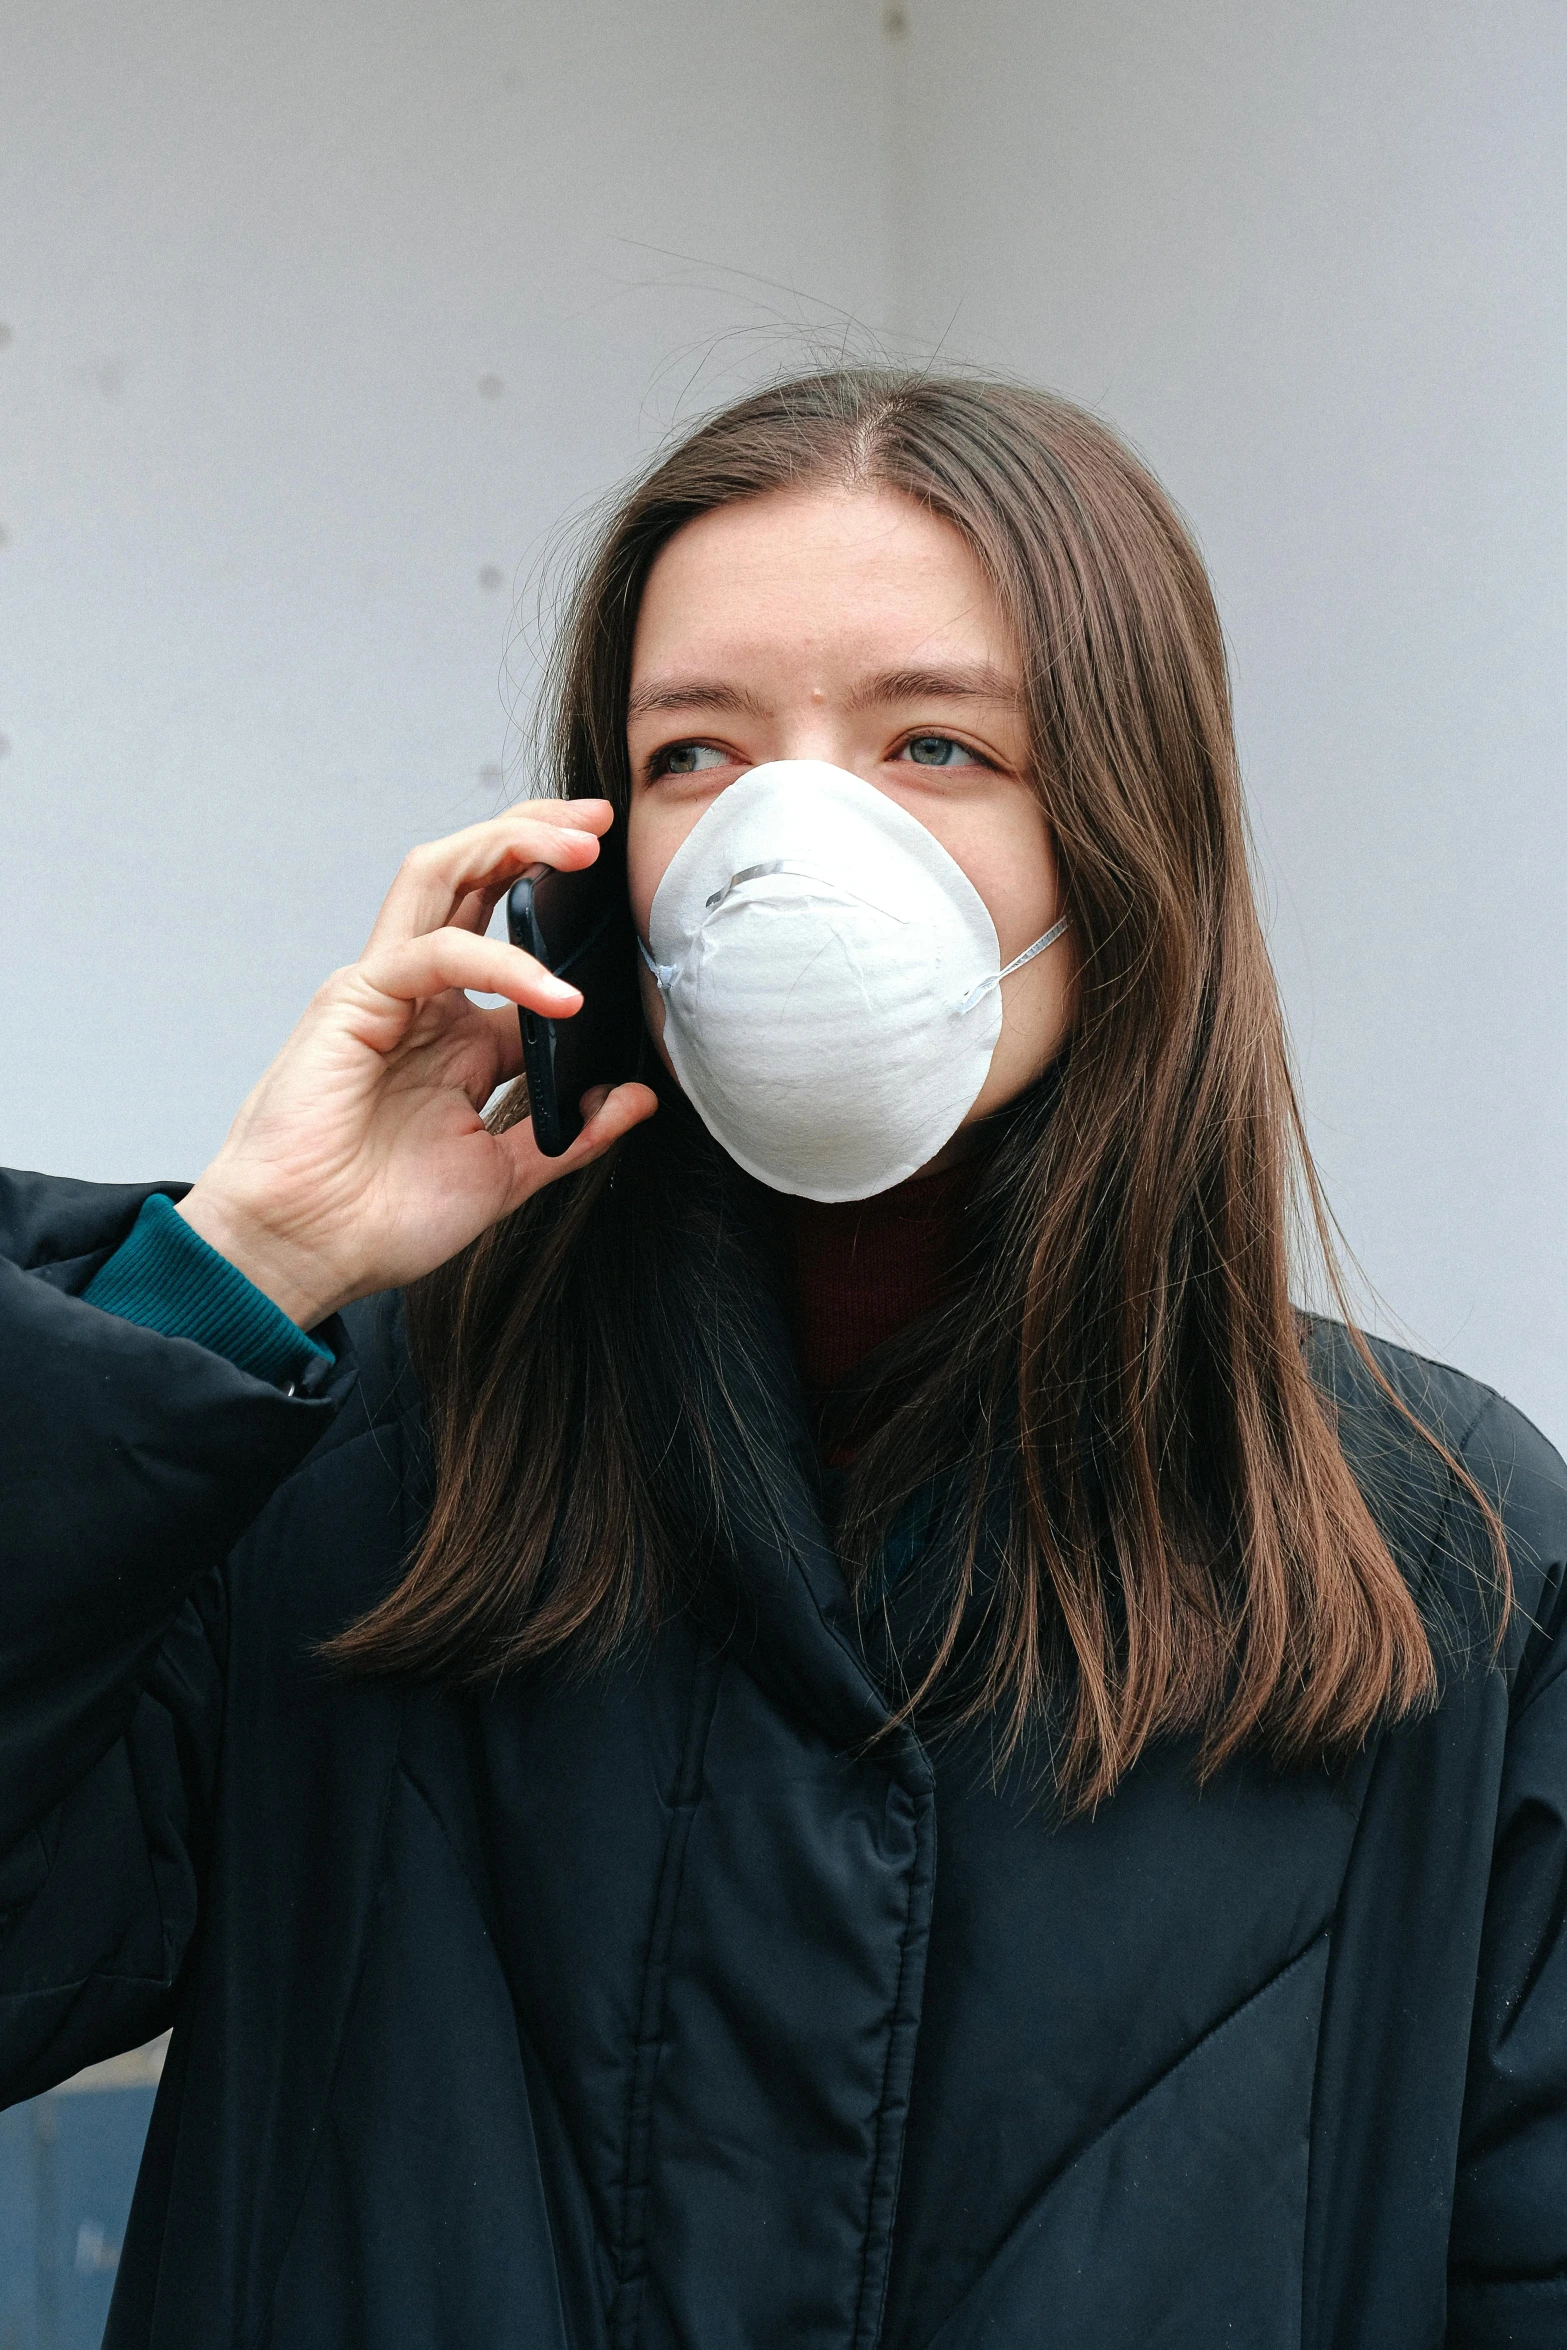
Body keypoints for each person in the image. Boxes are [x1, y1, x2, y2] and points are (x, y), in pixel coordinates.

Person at [2, 368, 1563, 2350]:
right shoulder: (332, 1465)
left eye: (932, 742)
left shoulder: (1446, 1554)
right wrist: (236, 1265)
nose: (795, 831)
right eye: (696, 753)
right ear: (593, 863)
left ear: (1127, 837)